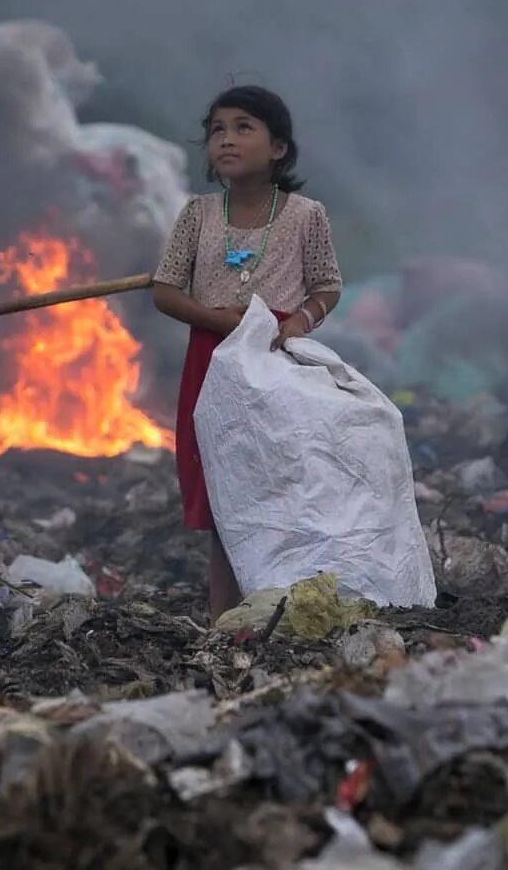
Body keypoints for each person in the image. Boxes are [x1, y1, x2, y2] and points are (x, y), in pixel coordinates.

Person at [151, 86, 342, 618]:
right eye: (216, 130)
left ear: (278, 147)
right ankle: (226, 621)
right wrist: (220, 322)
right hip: (212, 362)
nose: (226, 140)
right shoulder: (198, 214)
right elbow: (166, 290)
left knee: (275, 483)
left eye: (243, 127)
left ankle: (280, 609)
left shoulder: (306, 215)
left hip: (275, 362)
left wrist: (299, 322)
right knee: (223, 492)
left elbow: (327, 285)